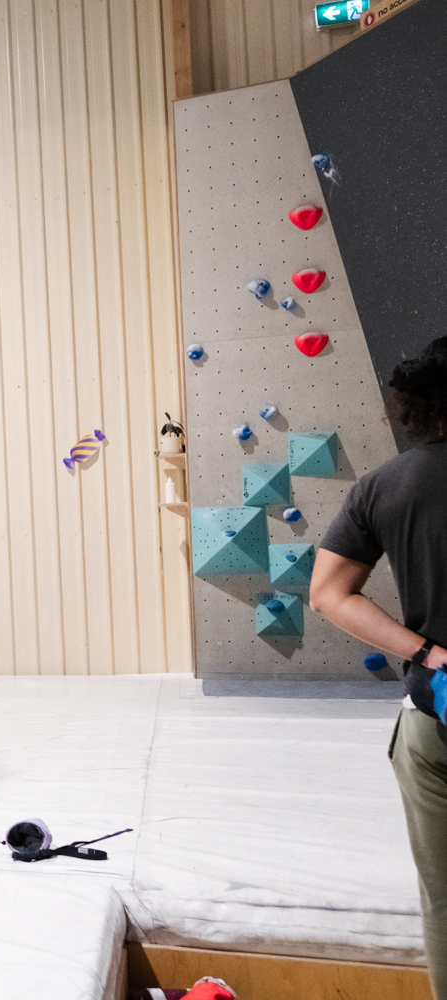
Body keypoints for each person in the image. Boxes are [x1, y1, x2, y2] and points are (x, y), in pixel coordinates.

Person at [311, 335, 447, 1000]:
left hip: (433, 719)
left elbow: (328, 594)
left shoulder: (385, 486)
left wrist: (425, 652)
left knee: (445, 902)